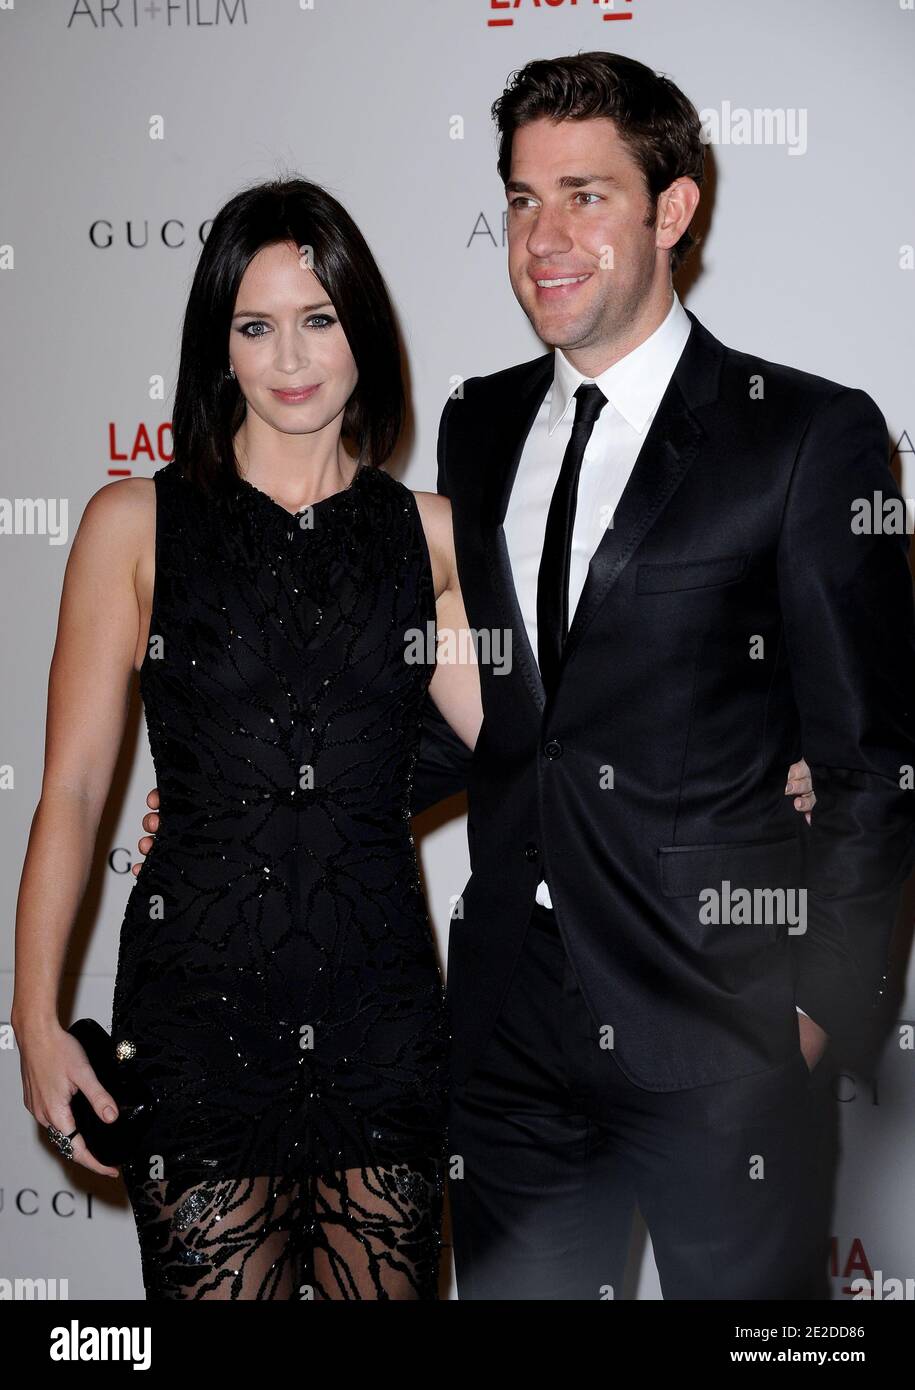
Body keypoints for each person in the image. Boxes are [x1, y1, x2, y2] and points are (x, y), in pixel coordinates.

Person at [410, 52, 914, 1298]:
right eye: (523, 200)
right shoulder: (476, 423)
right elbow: (505, 708)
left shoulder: (805, 433)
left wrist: (813, 1017)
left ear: (672, 209)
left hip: (722, 1036)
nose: (543, 237)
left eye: (584, 195)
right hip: (512, 1038)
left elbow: (871, 760)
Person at [12, 177, 482, 1300]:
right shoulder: (133, 523)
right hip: (199, 1016)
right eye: (256, 325)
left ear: (362, 329)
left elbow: (528, 750)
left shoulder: (431, 536)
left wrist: (765, 761)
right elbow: (74, 789)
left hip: (381, 1018)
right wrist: (32, 1017)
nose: (290, 356)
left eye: (318, 319)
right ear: (218, 345)